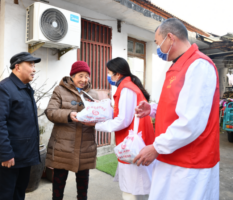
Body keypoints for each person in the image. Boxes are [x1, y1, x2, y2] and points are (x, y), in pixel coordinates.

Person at [133, 18, 220, 200]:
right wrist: (153, 109)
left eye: (158, 43)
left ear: (171, 38)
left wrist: (156, 147)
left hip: (190, 162)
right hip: (172, 155)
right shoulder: (178, 66)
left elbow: (191, 122)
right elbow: (178, 105)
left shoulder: (198, 65)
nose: (158, 49)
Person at [92, 57, 155, 200]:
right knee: (137, 186)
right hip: (137, 139)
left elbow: (123, 120)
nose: (108, 76)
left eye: (109, 73)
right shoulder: (130, 86)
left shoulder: (126, 88)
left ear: (118, 74)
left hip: (133, 143)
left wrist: (97, 125)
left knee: (132, 189)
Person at [0, 52, 41, 200]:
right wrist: (5, 153)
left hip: (23, 157)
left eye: (34, 65)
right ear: (17, 67)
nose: (34, 69)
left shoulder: (25, 88)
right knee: (5, 196)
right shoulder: (3, 89)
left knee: (19, 194)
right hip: (8, 159)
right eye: (30, 65)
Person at [45, 61, 98, 200]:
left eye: (87, 76)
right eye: (80, 76)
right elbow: (50, 112)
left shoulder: (92, 94)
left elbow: (98, 115)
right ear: (72, 76)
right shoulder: (60, 90)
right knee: (58, 184)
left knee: (83, 186)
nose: (84, 80)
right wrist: (68, 115)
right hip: (63, 146)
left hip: (85, 146)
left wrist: (98, 117)